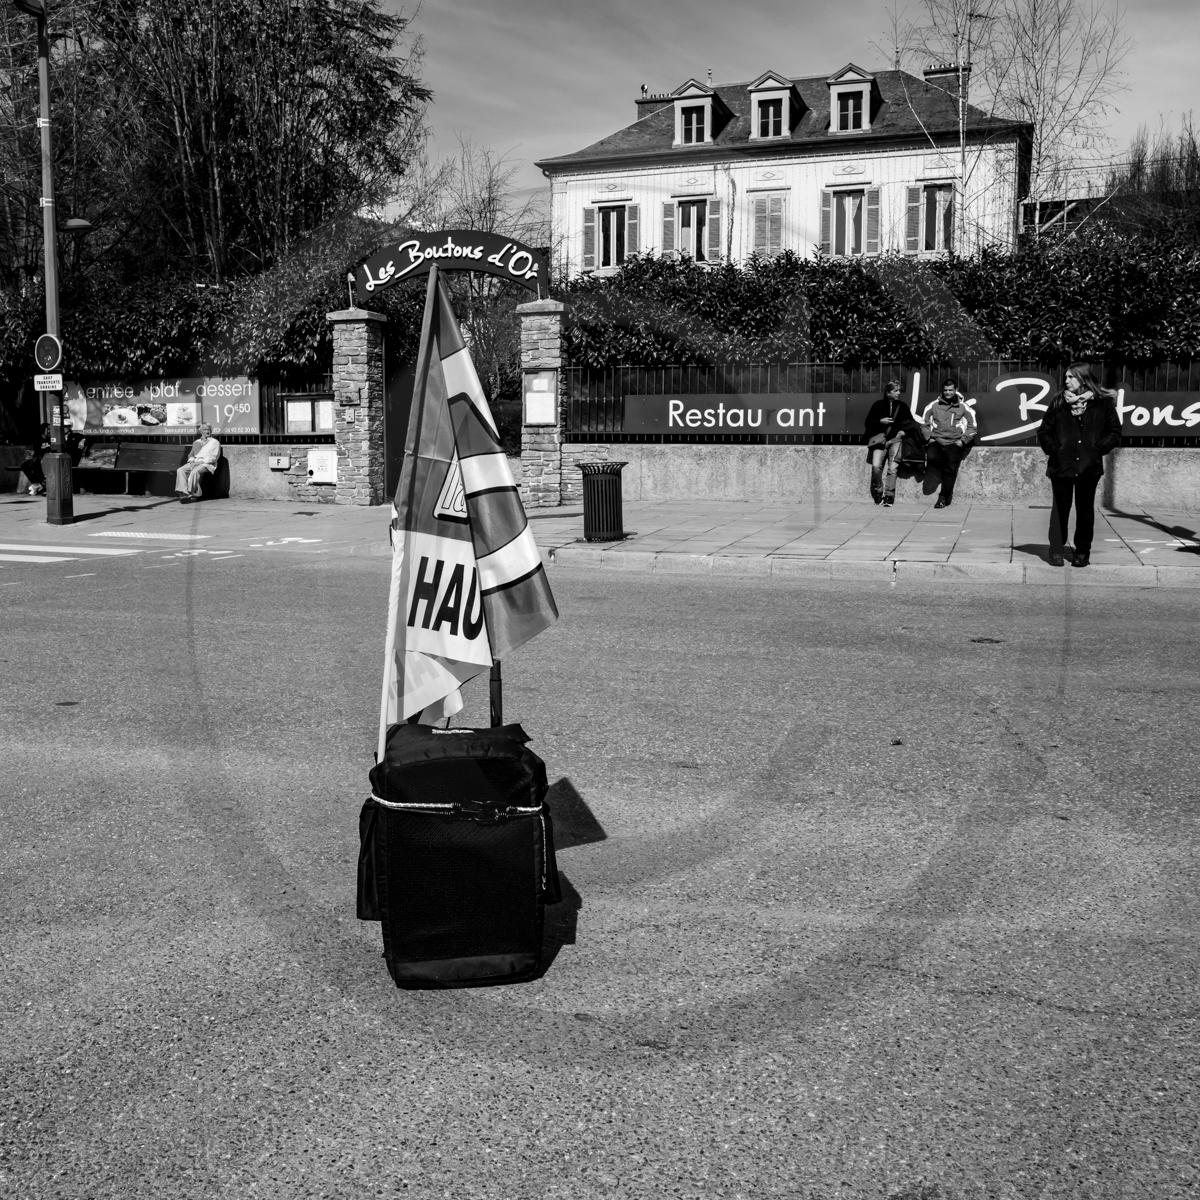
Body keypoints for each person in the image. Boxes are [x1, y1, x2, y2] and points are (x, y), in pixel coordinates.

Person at [1036, 362, 1121, 568]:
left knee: (1085, 511)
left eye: (1071, 377)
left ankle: (1082, 552)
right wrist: (1055, 449)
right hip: (1062, 465)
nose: (1066, 381)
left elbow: (1114, 432)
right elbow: (1044, 431)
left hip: (1088, 466)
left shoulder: (1102, 403)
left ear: (1083, 378)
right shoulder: (1058, 402)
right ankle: (1056, 550)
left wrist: (1097, 448)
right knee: (1060, 510)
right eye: (1065, 377)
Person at [863, 379, 921, 507]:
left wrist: (903, 433)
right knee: (876, 466)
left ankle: (889, 495)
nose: (898, 393)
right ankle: (878, 491)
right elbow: (867, 423)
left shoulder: (902, 406)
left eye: (899, 390)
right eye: (895, 391)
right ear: (888, 392)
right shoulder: (877, 405)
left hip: (896, 440)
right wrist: (880, 421)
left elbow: (911, 424)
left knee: (892, 468)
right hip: (880, 441)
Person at [921, 378, 976, 508]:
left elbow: (972, 426)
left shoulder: (964, 407)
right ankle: (943, 467)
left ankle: (943, 498)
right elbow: (924, 423)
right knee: (932, 458)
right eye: (945, 390)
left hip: (954, 443)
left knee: (950, 472)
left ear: (956, 391)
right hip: (937, 441)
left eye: (950, 390)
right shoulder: (933, 405)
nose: (948, 393)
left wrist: (962, 442)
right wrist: (929, 438)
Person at [175, 423, 221, 502]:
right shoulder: (196, 442)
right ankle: (184, 491)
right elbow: (191, 454)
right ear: (201, 431)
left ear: (211, 431)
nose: (207, 432)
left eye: (208, 430)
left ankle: (191, 492)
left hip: (207, 464)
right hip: (194, 462)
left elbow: (214, 457)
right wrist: (192, 460)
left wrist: (201, 461)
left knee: (195, 471)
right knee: (180, 470)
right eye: (205, 430)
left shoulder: (215, 442)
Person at [19, 423, 52, 495]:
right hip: (38, 457)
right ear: (43, 430)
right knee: (25, 465)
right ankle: (36, 483)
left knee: (37, 465)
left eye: (50, 429)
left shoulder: (51, 439)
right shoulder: (38, 439)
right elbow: (37, 451)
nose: (50, 431)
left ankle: (42, 486)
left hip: (47, 458)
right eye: (48, 429)